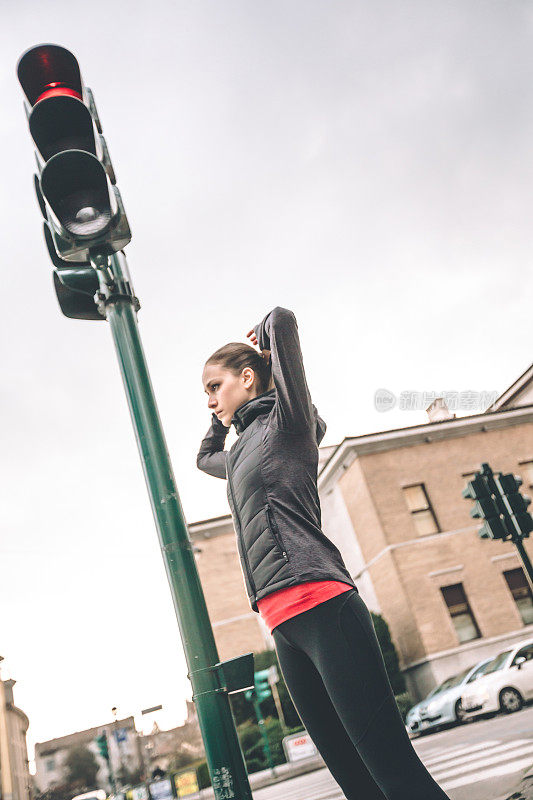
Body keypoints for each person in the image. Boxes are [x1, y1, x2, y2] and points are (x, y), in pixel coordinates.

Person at [197, 306, 451, 800]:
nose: (209, 400)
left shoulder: (288, 425)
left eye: (214, 386)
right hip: (282, 626)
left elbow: (284, 319)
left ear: (248, 378)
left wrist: (267, 341)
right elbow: (204, 458)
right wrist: (218, 413)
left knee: (393, 773)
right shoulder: (243, 448)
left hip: (323, 605)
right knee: (355, 783)